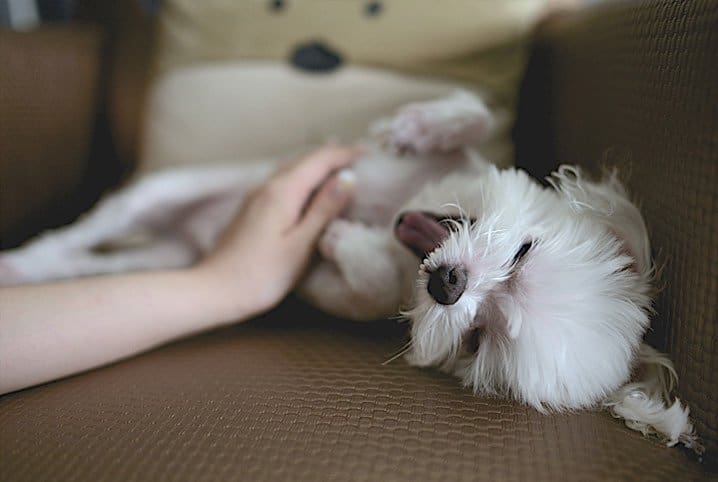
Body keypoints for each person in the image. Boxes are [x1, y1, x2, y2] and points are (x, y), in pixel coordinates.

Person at [0, 145, 360, 396]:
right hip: (229, 237)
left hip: (207, 258)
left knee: (133, 259)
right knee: (147, 202)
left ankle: (50, 262)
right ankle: (47, 258)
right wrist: (225, 286)